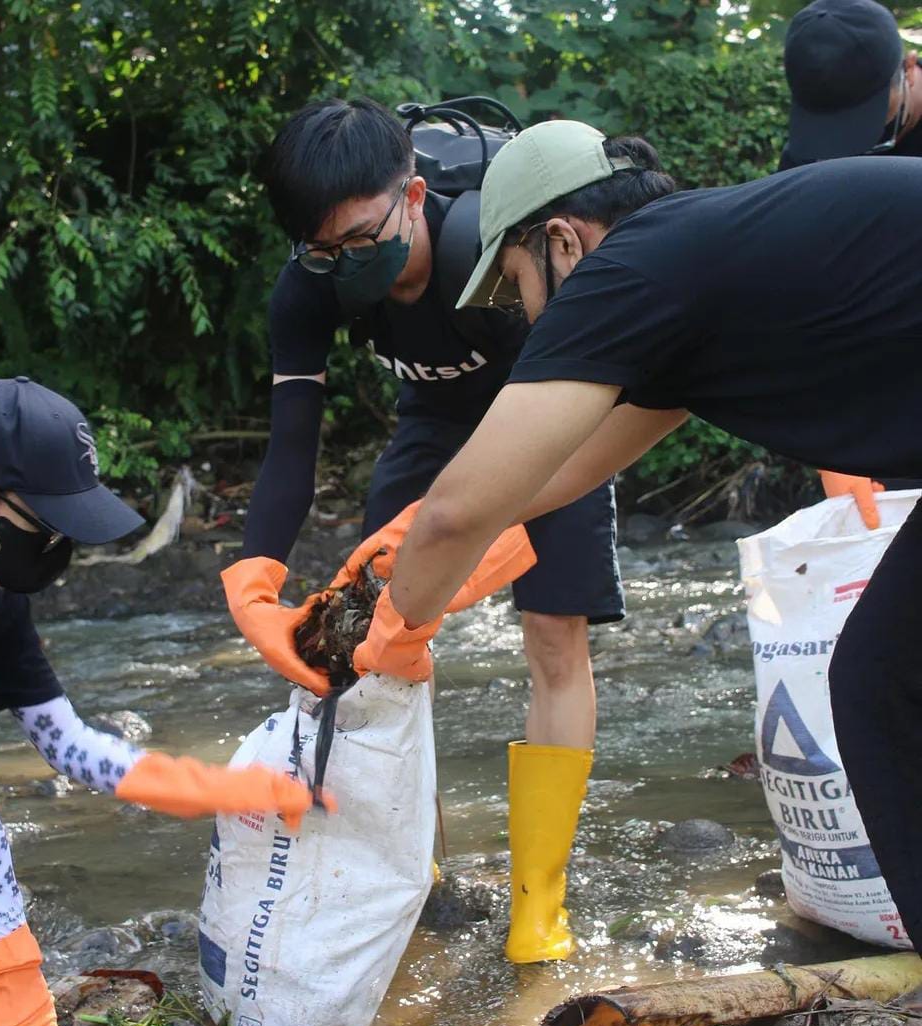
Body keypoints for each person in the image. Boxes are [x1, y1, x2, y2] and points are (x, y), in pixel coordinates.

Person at [354, 119, 922, 955]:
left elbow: (457, 511)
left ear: (561, 240)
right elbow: (560, 471)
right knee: (883, 682)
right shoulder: (689, 267)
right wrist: (417, 551)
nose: (528, 315)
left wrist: (385, 631)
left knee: (883, 688)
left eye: (518, 285)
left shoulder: (629, 269)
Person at [220, 98, 629, 962]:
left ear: (412, 193)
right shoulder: (308, 288)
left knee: (554, 635)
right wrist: (255, 577)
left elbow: (578, 398)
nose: (343, 268)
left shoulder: (484, 244)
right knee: (376, 643)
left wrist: (473, 527)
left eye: (362, 243)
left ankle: (540, 907)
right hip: (437, 420)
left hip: (556, 411)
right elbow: (293, 447)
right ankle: (422, 874)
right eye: (322, 252)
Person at [0, 377, 318, 1026]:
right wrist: (16, 986)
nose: (56, 550)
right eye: (44, 528)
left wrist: (220, 788)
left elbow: (66, 742)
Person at [779, 0, 922, 521]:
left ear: (908, 68)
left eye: (864, 115)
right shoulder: (805, 163)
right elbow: (811, 300)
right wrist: (835, 451)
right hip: (878, 415)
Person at [779, 0, 922, 171]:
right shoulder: (808, 149)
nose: (844, 138)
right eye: (827, 123)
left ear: (909, 69)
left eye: (867, 114)